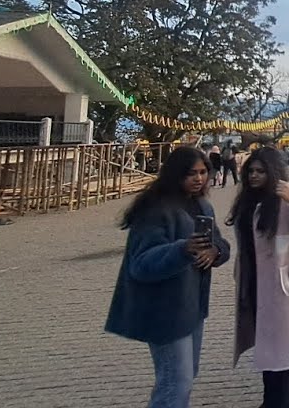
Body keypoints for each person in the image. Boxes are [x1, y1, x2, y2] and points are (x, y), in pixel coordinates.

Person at [105, 146, 230, 408]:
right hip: (165, 310)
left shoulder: (202, 205)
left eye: (203, 172)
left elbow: (219, 243)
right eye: (191, 173)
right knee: (175, 382)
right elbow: (141, 263)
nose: (199, 178)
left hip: (192, 306)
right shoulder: (155, 209)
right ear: (175, 174)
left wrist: (215, 251)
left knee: (185, 377)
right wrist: (182, 250)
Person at [228, 147, 289, 408]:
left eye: (261, 171)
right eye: (251, 171)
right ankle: (269, 401)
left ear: (273, 172)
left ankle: (278, 403)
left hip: (282, 288)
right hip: (253, 283)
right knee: (267, 349)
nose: (254, 176)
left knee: (281, 355)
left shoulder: (288, 194)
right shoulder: (248, 199)